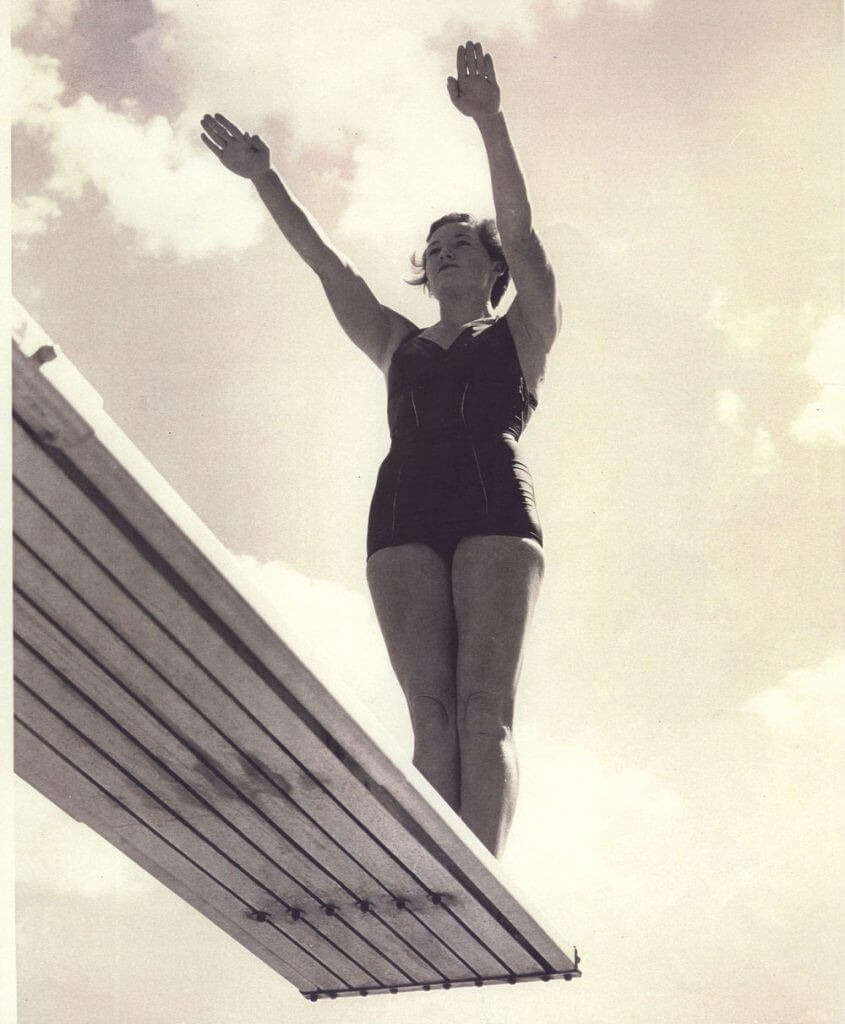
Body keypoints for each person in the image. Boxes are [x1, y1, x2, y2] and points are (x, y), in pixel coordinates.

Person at [200, 41, 561, 857]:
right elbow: (327, 268)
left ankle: (483, 876)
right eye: (432, 248)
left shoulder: (522, 330)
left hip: (493, 504)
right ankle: (440, 876)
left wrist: (489, 122)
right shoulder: (394, 341)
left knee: (480, 706)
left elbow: (522, 230)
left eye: (460, 243)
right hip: (399, 512)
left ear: (491, 269)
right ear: (423, 274)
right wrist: (265, 178)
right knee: (428, 715)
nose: (443, 252)